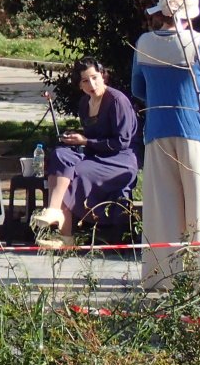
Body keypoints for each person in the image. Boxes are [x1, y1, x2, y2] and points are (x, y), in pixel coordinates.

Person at [131, 0, 200, 292]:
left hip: (158, 131)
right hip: (198, 132)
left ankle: (161, 277)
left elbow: (138, 89)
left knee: (162, 205)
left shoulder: (144, 43)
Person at [30, 57, 140, 248]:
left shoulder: (116, 101)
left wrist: (86, 141)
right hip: (96, 154)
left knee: (75, 174)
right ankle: (55, 212)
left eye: (95, 77)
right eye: (85, 81)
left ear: (102, 76)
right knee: (60, 155)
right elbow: (91, 137)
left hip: (120, 160)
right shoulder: (84, 104)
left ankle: (65, 235)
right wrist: (76, 139)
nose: (92, 84)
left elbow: (121, 142)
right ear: (79, 85)